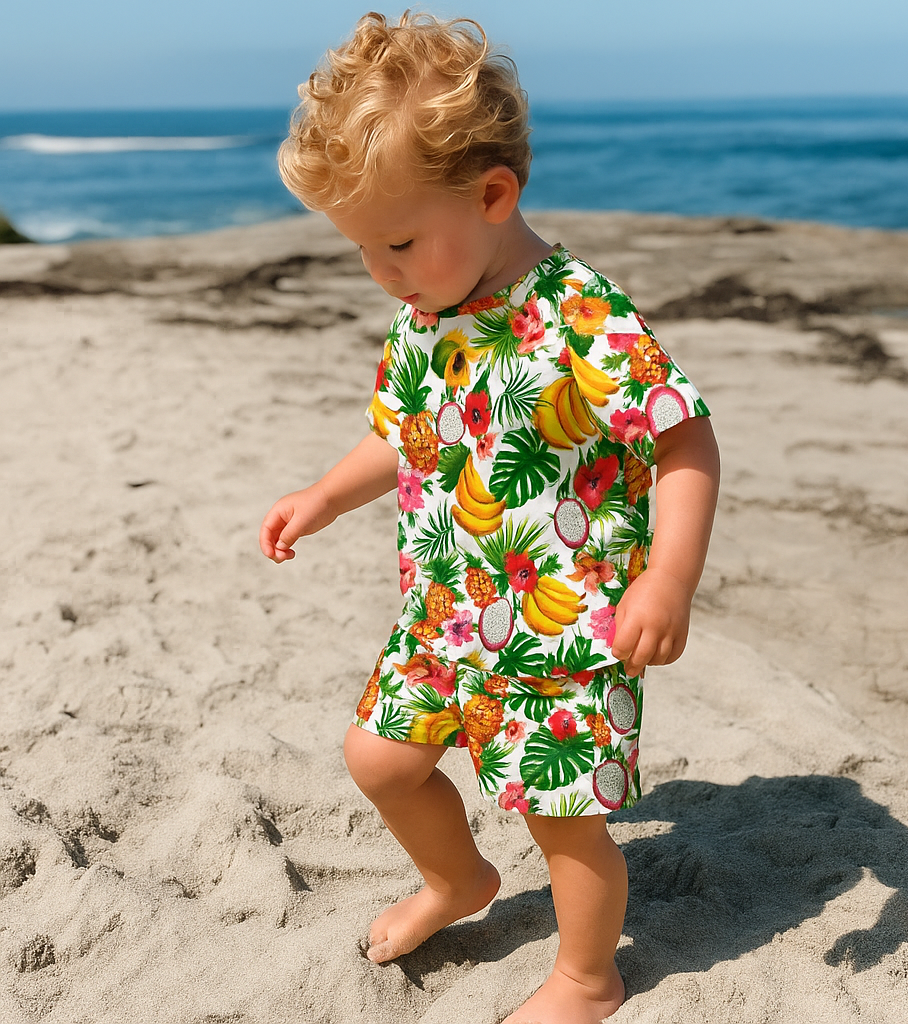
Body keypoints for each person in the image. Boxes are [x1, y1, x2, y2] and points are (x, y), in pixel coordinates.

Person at [259, 11, 720, 1023]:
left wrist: (668, 575)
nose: (381, 274)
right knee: (378, 756)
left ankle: (588, 978)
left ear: (493, 194)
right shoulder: (427, 310)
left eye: (395, 244)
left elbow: (682, 437)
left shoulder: (580, 315)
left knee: (561, 821)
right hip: (445, 609)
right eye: (361, 251)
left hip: (563, 623)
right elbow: (403, 431)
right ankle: (458, 880)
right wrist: (327, 494)